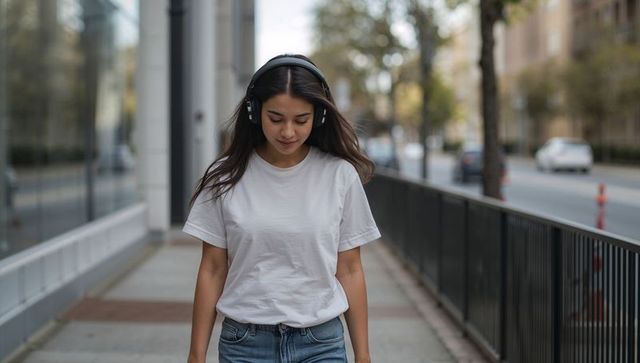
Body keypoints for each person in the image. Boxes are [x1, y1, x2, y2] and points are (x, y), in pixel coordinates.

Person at [183, 54, 381, 363]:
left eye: (301, 120)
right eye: (276, 118)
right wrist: (196, 355)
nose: (288, 132)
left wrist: (364, 355)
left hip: (321, 344)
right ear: (254, 111)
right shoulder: (225, 177)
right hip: (244, 344)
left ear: (319, 117)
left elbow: (350, 269)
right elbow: (212, 268)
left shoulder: (340, 175)